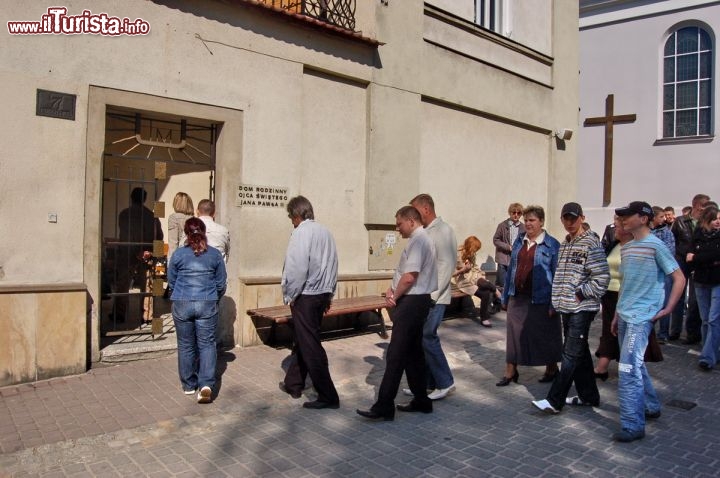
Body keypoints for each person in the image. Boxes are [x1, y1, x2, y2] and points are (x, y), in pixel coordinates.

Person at [610, 201, 685, 442]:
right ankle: (651, 406)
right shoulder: (627, 248)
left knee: (628, 368)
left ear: (643, 218)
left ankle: (633, 424)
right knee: (635, 364)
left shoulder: (656, 246)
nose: (623, 220)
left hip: (641, 318)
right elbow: (625, 283)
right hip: (624, 315)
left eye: (627, 216)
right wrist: (615, 314)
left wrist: (669, 308)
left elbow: (679, 278)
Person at [357, 205, 437, 421]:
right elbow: (406, 275)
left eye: (399, 223)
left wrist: (394, 296)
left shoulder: (419, 240)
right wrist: (394, 287)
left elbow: (410, 276)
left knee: (395, 354)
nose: (397, 228)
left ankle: (384, 405)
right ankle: (422, 400)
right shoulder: (420, 239)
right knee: (413, 354)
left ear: (411, 221)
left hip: (412, 301)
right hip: (416, 300)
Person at [532, 202, 609, 414]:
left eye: (573, 218)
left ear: (582, 218)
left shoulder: (590, 243)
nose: (569, 222)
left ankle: (554, 401)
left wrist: (580, 293)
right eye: (566, 218)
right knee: (580, 353)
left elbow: (602, 277)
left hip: (582, 307)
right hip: (565, 306)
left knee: (570, 354)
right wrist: (557, 300)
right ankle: (589, 396)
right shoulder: (566, 243)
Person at [279, 196, 340, 410]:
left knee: (310, 344)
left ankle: (328, 395)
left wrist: (290, 295)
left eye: (291, 217)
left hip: (306, 294)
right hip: (321, 293)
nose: (291, 222)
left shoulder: (301, 232)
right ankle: (293, 383)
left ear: (297, 215)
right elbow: (334, 264)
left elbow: (296, 269)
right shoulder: (326, 232)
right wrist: (330, 293)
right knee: (305, 339)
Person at [497, 205, 561, 387]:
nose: (528, 224)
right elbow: (510, 271)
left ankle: (551, 368)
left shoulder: (552, 244)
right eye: (526, 220)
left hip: (541, 297)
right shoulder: (519, 241)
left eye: (532, 220)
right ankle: (510, 371)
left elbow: (557, 276)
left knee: (545, 334)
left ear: (541, 222)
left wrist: (554, 303)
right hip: (518, 295)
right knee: (514, 335)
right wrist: (505, 297)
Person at [594, 216, 664, 381]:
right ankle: (607, 365)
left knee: (627, 333)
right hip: (609, 293)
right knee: (609, 329)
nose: (614, 230)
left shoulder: (639, 248)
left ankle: (629, 367)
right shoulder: (615, 245)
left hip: (626, 295)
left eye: (617, 227)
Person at [167, 217, 227, 403]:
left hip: (182, 302)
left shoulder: (178, 254)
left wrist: (178, 293)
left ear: (186, 233)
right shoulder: (215, 255)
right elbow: (221, 283)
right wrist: (213, 297)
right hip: (207, 302)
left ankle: (188, 384)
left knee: (185, 344)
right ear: (204, 232)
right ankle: (206, 384)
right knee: (207, 344)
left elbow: (171, 281)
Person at [407, 194, 457, 401]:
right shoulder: (426, 231)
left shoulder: (443, 231)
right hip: (423, 295)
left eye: (416, 211)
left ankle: (445, 382)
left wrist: (433, 296)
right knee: (421, 339)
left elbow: (446, 265)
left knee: (428, 337)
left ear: (426, 209)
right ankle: (426, 383)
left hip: (434, 297)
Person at [115, 187, 164, 323]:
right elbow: (159, 236)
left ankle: (119, 314)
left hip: (127, 252)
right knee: (148, 285)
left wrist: (135, 250)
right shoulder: (152, 217)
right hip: (147, 254)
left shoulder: (124, 214)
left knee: (123, 285)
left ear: (131, 198)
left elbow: (126, 235)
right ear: (144, 199)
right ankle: (147, 315)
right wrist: (152, 253)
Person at [670, 194, 710, 344]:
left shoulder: (704, 222)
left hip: (697, 263)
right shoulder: (680, 221)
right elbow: (672, 241)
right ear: (697, 205)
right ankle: (675, 330)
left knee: (694, 300)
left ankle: (692, 333)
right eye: (705, 206)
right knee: (677, 297)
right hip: (681, 262)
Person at [687, 205, 720, 371]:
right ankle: (713, 351)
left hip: (717, 281)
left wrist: (698, 257)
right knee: (705, 319)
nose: (718, 222)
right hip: (700, 280)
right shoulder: (698, 234)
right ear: (707, 220)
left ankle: (707, 357)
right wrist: (703, 258)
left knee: (714, 319)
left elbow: (714, 255)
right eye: (715, 219)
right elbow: (689, 256)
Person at [450, 236, 501, 327]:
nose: (475, 252)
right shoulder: (457, 254)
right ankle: (484, 318)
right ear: (470, 246)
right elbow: (451, 273)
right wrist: (463, 270)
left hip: (473, 276)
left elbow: (475, 267)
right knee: (485, 293)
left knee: (485, 283)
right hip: (463, 281)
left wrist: (481, 274)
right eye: (475, 249)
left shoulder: (471, 254)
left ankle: (495, 291)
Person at [651, 206, 675, 343]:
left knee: (665, 302)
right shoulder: (647, 232)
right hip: (650, 272)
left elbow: (669, 251)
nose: (664, 219)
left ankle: (663, 332)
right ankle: (650, 330)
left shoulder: (666, 232)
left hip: (663, 271)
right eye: (661, 216)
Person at [493, 203, 526, 289]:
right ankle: (499, 302)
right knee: (502, 284)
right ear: (509, 213)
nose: (516, 215)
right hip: (503, 259)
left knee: (514, 284)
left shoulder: (523, 227)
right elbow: (496, 240)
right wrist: (508, 247)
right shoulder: (502, 225)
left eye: (518, 213)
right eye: (513, 212)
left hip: (517, 260)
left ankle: (511, 302)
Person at [167, 192, 194, 260]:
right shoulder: (194, 219)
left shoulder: (174, 217)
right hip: (193, 257)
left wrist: (170, 264)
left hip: (180, 258)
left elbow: (173, 244)